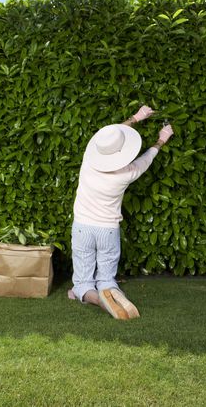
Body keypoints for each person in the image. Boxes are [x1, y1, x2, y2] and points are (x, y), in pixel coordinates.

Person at [68, 105, 174, 320]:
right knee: (107, 278)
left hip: (82, 227)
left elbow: (105, 138)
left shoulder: (89, 160)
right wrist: (162, 139)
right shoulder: (128, 173)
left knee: (81, 283)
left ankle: (95, 298)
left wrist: (136, 117)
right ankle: (111, 292)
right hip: (108, 230)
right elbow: (148, 156)